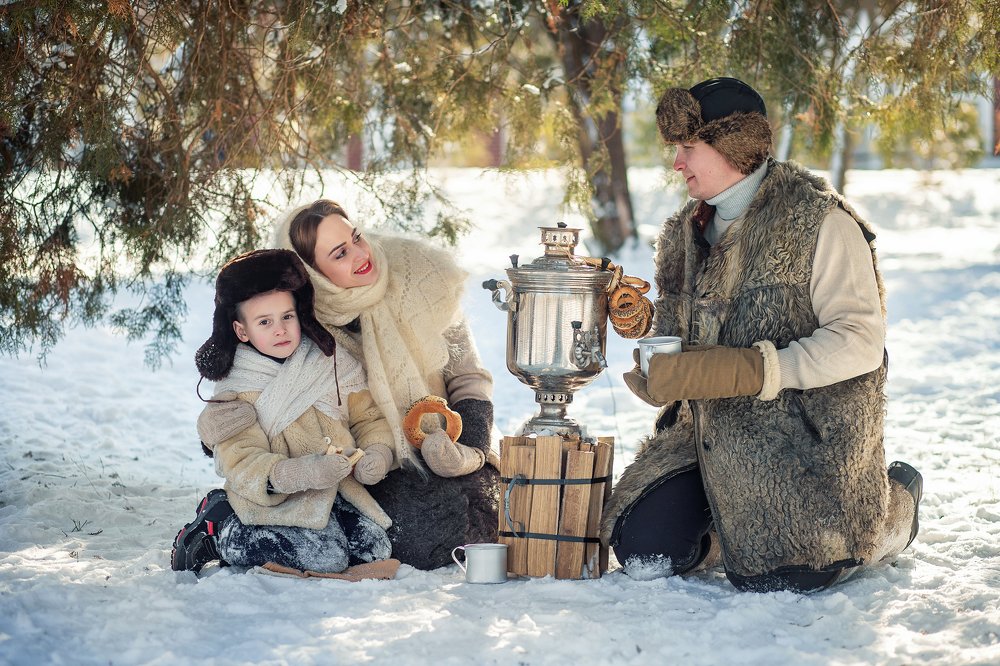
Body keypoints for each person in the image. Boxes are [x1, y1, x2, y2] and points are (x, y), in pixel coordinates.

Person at [601, 77, 922, 593]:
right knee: (645, 551)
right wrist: (655, 363)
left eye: (688, 148)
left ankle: (892, 509)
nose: (677, 163)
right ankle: (734, 535)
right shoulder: (684, 232)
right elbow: (675, 336)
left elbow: (861, 339)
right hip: (702, 442)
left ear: (733, 145)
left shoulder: (819, 221)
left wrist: (762, 368)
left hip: (799, 443)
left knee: (792, 576)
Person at [197, 201, 500, 570]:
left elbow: (469, 377)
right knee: (423, 537)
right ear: (313, 274)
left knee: (488, 520)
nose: (360, 254)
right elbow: (265, 395)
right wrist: (212, 431)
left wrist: (470, 449)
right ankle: (229, 525)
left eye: (356, 237)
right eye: (340, 254)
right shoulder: (308, 323)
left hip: (446, 442)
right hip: (377, 464)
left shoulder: (425, 280)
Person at [171, 249, 397, 576]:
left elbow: (368, 418)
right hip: (270, 498)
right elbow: (242, 461)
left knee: (376, 548)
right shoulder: (237, 389)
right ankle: (219, 529)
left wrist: (376, 451)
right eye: (265, 322)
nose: (280, 329)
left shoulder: (329, 360)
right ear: (242, 331)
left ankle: (317, 533)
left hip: (334, 491)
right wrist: (299, 473)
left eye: (287, 317)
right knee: (326, 558)